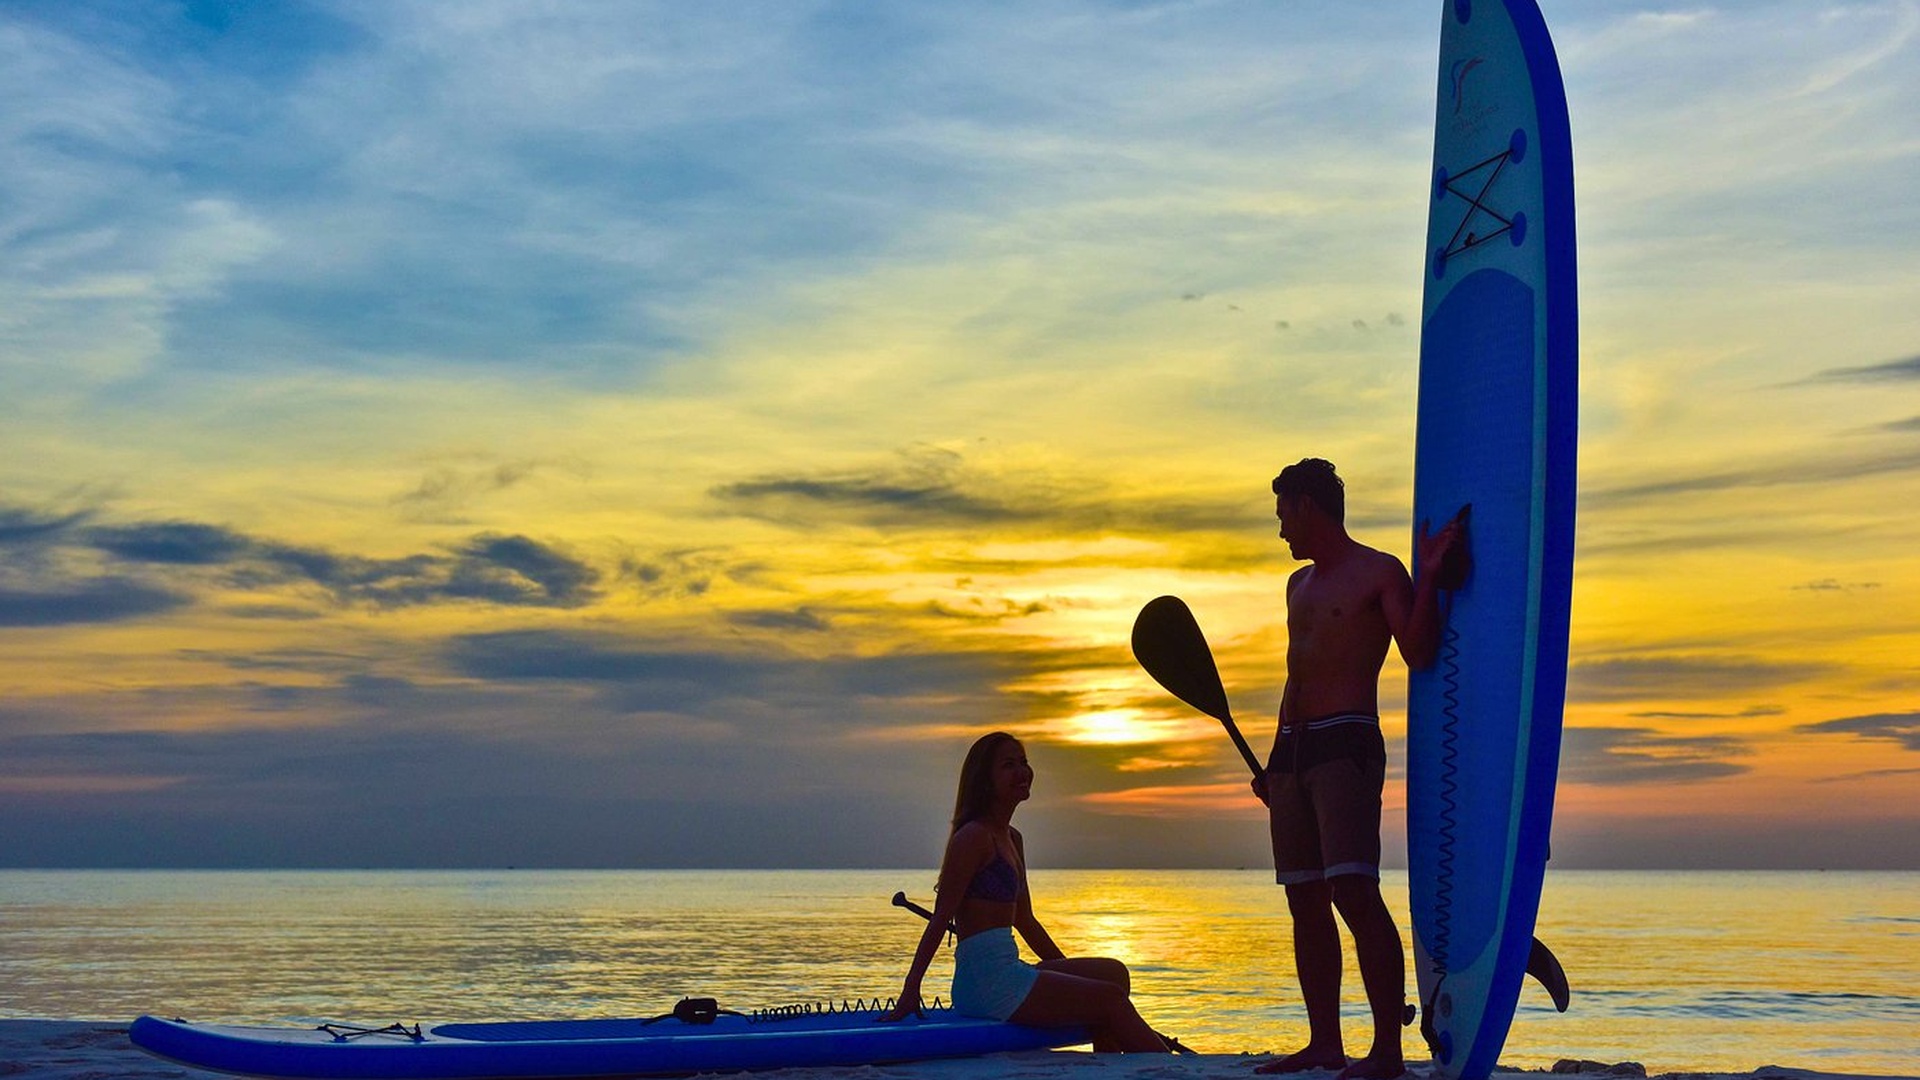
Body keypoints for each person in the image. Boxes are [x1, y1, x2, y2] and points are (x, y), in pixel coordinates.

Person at [1252, 458, 1466, 1080]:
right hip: (1293, 749)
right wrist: (1274, 759)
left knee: (1353, 890)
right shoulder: (1298, 586)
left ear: (1309, 508)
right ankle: (1323, 1043)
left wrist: (1428, 577)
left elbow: (1419, 651)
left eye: (1283, 515)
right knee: (1303, 897)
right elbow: (1296, 678)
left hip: (1347, 742)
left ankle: (1386, 1052)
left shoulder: (1378, 572)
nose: (1282, 531)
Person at [880, 732, 1170, 1053]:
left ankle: (1109, 1068)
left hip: (1010, 969)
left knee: (1114, 975)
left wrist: (1076, 981)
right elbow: (940, 918)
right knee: (1111, 999)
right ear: (986, 780)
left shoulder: (1012, 838)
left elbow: (1025, 920)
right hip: (987, 984)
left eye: (1024, 762)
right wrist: (911, 989)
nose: (1022, 772)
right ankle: (1170, 1071)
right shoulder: (973, 837)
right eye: (1008, 765)